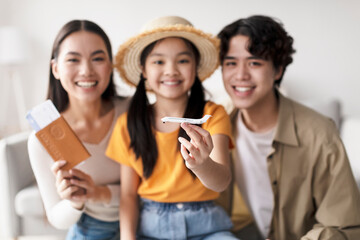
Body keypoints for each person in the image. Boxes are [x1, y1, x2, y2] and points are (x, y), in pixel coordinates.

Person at [217, 15, 360, 240]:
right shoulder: (217, 127)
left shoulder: (320, 134)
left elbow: (342, 226)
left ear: (278, 70)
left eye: (255, 63)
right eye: (231, 63)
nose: (241, 75)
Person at [106, 16, 238, 240]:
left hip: (207, 227)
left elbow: (222, 181)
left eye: (183, 61)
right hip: (151, 227)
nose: (171, 71)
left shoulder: (213, 115)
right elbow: (128, 195)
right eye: (158, 62)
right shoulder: (127, 124)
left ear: (195, 66)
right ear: (143, 69)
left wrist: (203, 164)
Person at [28, 20, 129, 240]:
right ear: (55, 68)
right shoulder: (43, 136)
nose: (86, 71)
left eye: (98, 58)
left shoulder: (132, 112)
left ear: (110, 66)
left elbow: (157, 185)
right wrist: (75, 201)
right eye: (73, 59)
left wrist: (101, 193)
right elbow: (56, 217)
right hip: (89, 229)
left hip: (147, 219)